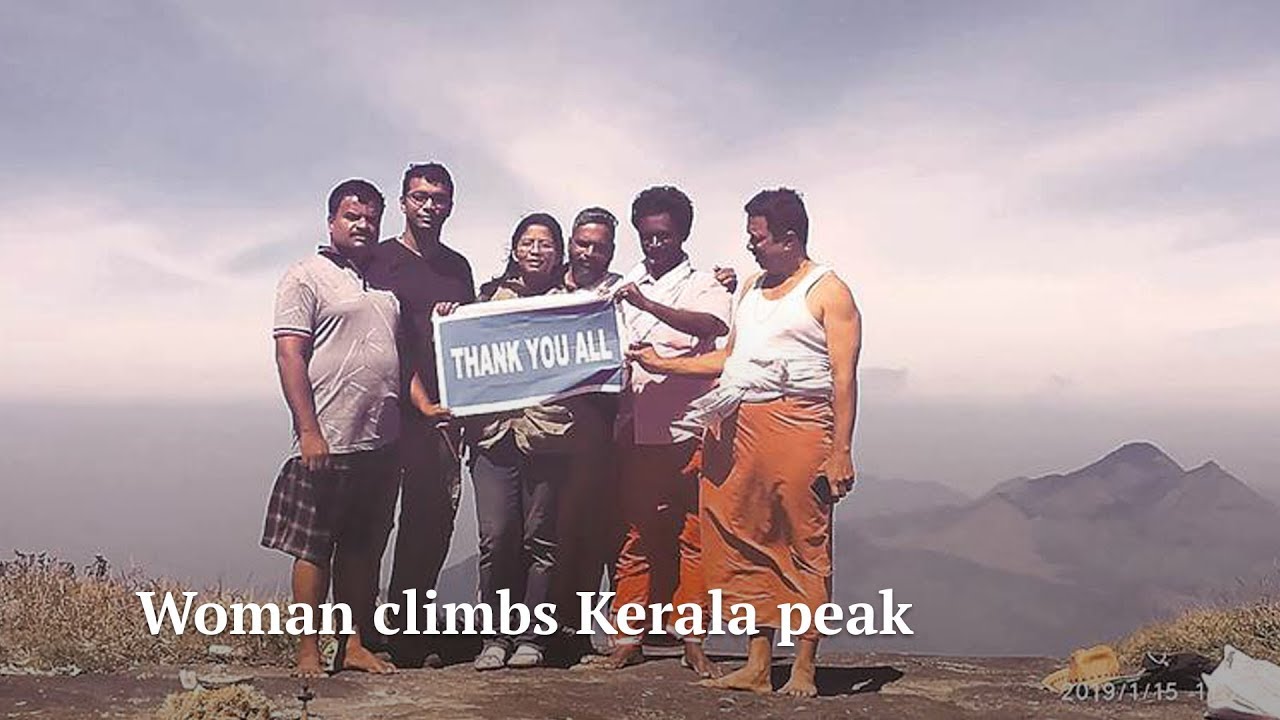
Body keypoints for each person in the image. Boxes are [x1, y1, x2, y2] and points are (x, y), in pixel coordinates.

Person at [626, 188, 862, 698]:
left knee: (803, 537)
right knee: (743, 536)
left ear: (789, 238)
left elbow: (843, 378)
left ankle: (803, 665)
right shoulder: (752, 287)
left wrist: (841, 449)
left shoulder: (828, 291)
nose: (750, 246)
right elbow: (730, 359)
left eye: (757, 237)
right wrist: (663, 364)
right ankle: (758, 663)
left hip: (800, 422)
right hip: (738, 422)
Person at [263, 178, 433, 677]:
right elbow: (289, 354)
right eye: (352, 216)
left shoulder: (383, 286)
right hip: (329, 434)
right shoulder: (305, 276)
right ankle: (308, 650)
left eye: (371, 218)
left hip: (382, 439)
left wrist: (422, 405)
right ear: (331, 221)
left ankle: (355, 643)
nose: (363, 225)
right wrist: (309, 430)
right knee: (315, 548)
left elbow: (401, 360)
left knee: (363, 548)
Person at [603, 186, 731, 678]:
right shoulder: (622, 282)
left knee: (694, 535)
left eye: (664, 236)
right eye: (647, 236)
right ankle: (628, 635)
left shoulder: (704, 283)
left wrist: (650, 306)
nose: (655, 245)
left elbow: (712, 325)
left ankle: (693, 637)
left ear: (682, 235)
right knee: (635, 536)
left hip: (692, 430)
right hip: (635, 430)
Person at [365, 162, 475, 668]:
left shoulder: (458, 268)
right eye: (420, 196)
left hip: (443, 420)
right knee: (371, 527)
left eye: (439, 198)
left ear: (451, 203)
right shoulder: (379, 260)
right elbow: (382, 341)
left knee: (429, 529)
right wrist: (422, 403)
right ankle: (361, 635)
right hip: (386, 416)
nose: (430, 206)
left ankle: (409, 635)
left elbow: (473, 344)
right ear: (404, 201)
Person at [466, 213, 576, 670]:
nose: (536, 250)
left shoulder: (575, 305)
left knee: (541, 539)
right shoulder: (486, 300)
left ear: (558, 254)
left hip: (549, 434)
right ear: (514, 249)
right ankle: (494, 635)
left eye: (546, 244)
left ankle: (533, 636)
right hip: (494, 436)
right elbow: (462, 353)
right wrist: (450, 320)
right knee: (496, 536)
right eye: (528, 242)